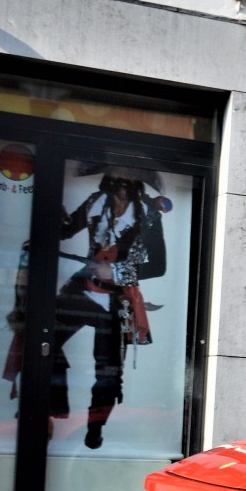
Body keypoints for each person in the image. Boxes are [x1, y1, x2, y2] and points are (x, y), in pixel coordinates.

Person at [50, 170, 167, 449]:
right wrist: (53, 205)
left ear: (138, 186)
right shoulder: (95, 202)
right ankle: (52, 406)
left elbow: (158, 266)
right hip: (83, 288)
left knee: (108, 372)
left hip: (117, 298)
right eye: (118, 178)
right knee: (44, 338)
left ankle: (95, 428)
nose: (123, 184)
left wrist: (113, 270)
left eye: (129, 179)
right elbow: (65, 230)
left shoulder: (149, 215)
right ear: (109, 181)